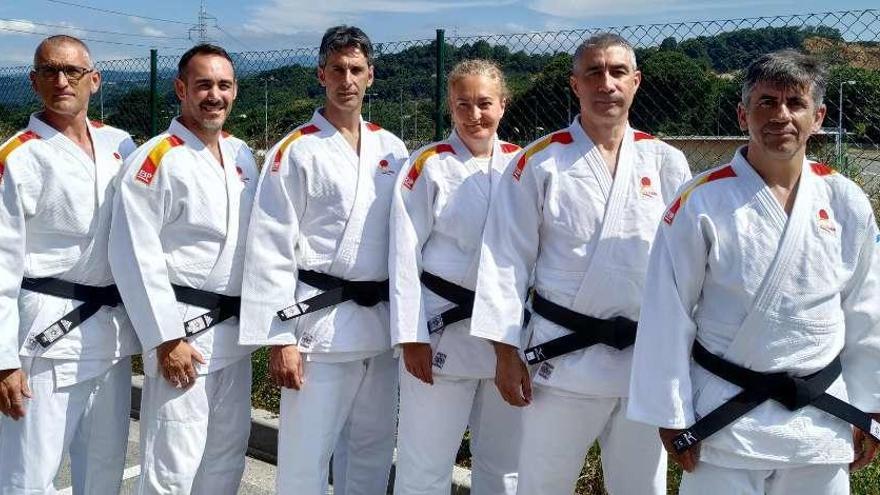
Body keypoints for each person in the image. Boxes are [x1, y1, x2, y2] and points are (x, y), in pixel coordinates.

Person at [628, 49, 880, 495]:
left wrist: (871, 406)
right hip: (724, 420)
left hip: (819, 423)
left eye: (795, 103)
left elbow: (867, 309)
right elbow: (667, 311)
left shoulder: (845, 199)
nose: (780, 115)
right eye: (766, 102)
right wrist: (671, 413)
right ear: (743, 115)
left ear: (818, 116)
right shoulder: (700, 201)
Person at [469, 33, 692, 494]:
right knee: (542, 484)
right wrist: (505, 351)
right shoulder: (540, 161)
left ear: (635, 82)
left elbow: (687, 271)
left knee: (641, 487)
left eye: (616, 72)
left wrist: (682, 359)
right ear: (575, 84)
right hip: (560, 361)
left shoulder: (667, 161)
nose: (605, 83)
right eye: (594, 72)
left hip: (642, 363)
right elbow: (506, 260)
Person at [239, 25, 408, 494]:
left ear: (371, 76)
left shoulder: (393, 148)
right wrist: (279, 338)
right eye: (338, 69)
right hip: (318, 326)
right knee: (305, 457)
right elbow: (270, 247)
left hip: (378, 325)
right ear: (321, 74)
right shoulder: (294, 150)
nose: (347, 79)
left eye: (356, 69)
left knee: (373, 452)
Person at [109, 43, 258, 494]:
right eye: (204, 85)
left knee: (226, 458)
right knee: (172, 465)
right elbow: (133, 252)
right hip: (185, 335)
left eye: (224, 85)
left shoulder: (241, 154)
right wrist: (165, 337)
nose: (215, 95)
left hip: (234, 333)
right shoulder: (157, 158)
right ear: (181, 89)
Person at [0, 35, 139, 494]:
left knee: (103, 470)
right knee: (28, 474)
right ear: (34, 81)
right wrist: (2, 361)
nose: (62, 81)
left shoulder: (121, 145)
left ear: (94, 80)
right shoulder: (16, 157)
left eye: (73, 72)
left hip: (111, 334)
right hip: (43, 338)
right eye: (49, 72)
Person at [391, 59, 523, 495]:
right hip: (440, 332)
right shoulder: (428, 165)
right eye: (463, 104)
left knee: (505, 467)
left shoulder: (525, 165)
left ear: (503, 105)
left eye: (484, 103)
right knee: (425, 463)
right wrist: (411, 336)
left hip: (507, 337)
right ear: (451, 107)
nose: (474, 115)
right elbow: (403, 253)